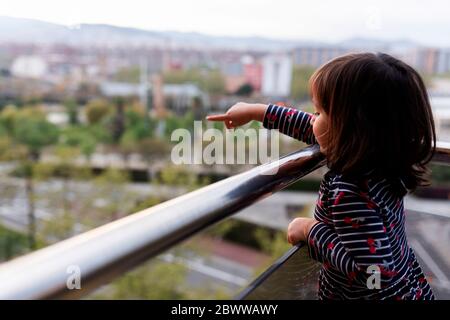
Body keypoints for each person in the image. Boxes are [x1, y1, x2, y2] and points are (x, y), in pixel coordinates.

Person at [206, 52, 436, 300]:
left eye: (320, 112)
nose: (314, 121)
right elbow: (318, 130)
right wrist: (258, 112)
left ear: (351, 128)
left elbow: (374, 274)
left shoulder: (351, 191)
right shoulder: (383, 161)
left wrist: (311, 231)